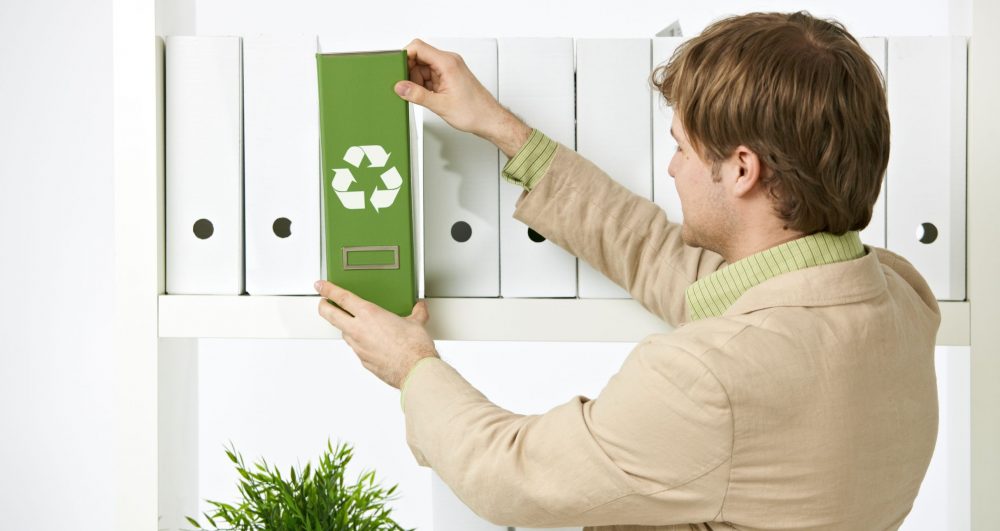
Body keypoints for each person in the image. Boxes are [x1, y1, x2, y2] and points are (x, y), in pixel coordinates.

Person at [313, 11, 940, 530]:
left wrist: (412, 368)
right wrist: (506, 133)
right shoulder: (898, 298)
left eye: (681, 147)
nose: (671, 169)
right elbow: (659, 259)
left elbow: (513, 477)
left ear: (743, 169)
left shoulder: (712, 377)